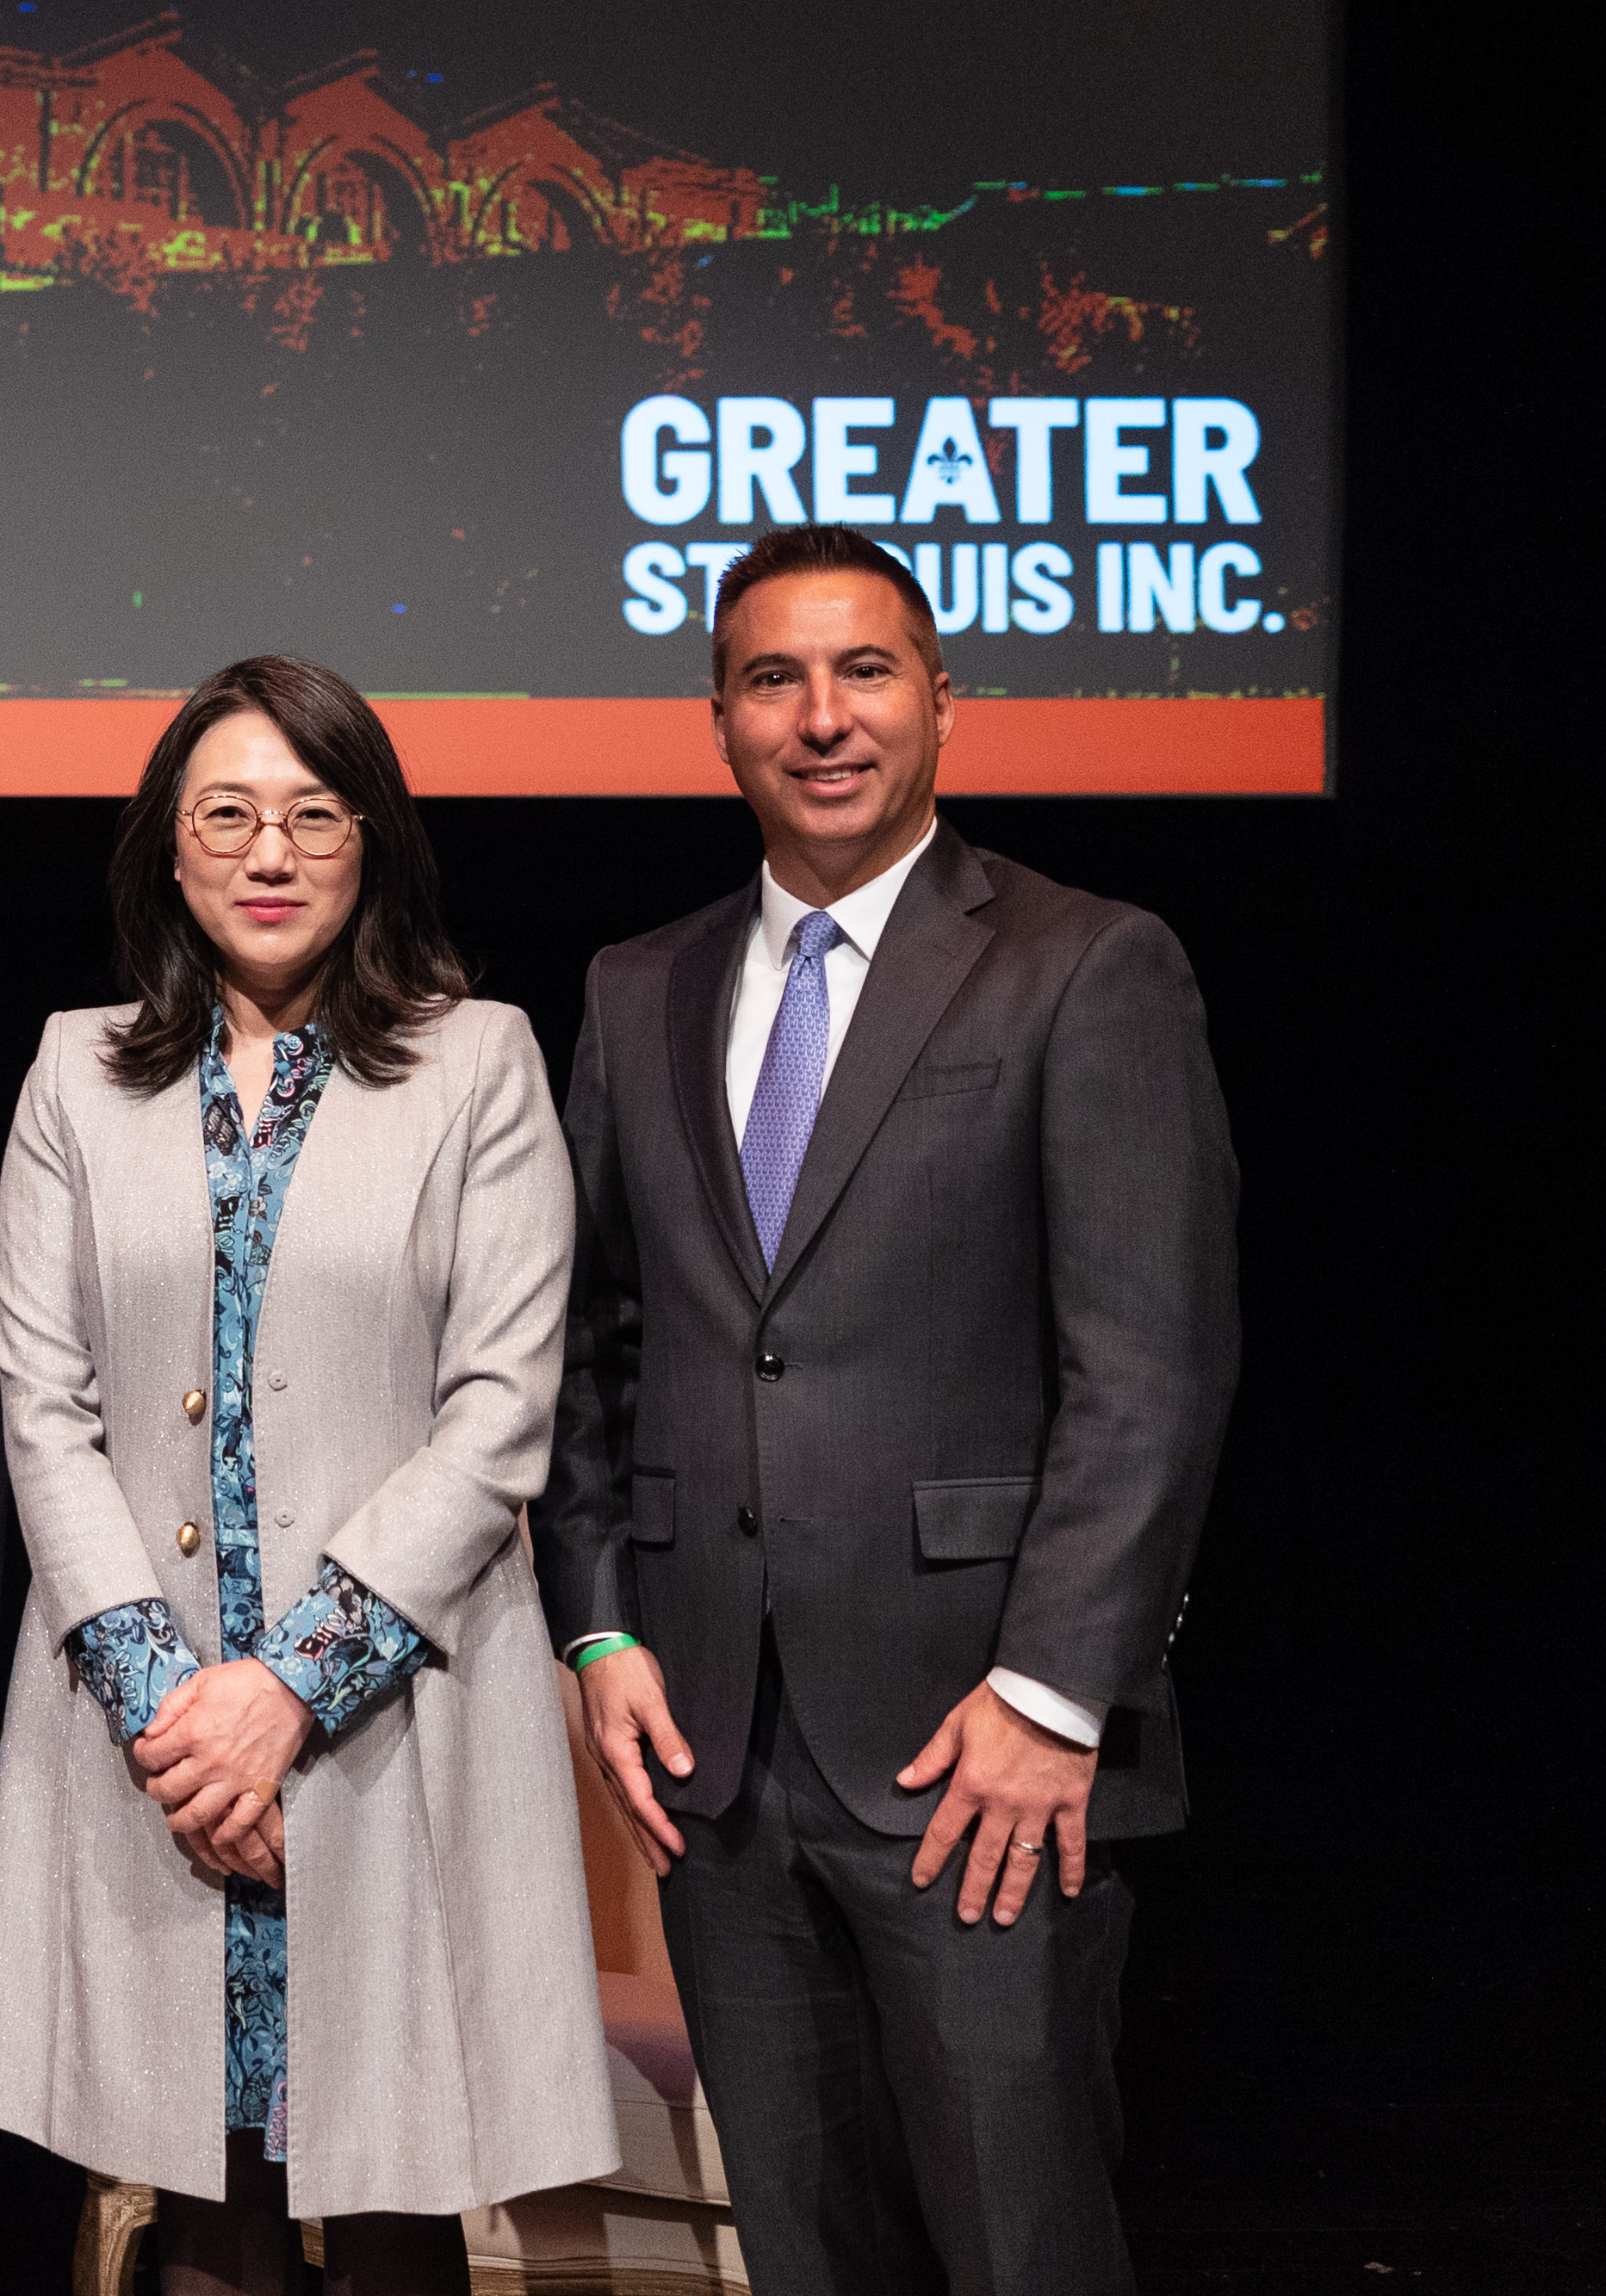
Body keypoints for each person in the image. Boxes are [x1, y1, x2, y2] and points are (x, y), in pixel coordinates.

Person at [543, 523, 1237, 2295]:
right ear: (716, 718)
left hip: (978, 1755)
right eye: (771, 677)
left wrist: (1048, 1688)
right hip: (712, 1758)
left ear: (944, 702)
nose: (819, 714)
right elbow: (586, 1343)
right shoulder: (636, 986)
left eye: (862, 670)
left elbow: (1147, 1367)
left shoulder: (1086, 962)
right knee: (801, 2254)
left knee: (1020, 2247)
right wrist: (602, 1629)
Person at [0, 657, 617, 2292]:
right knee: (203, 2197)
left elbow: (499, 1410)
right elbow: (42, 1401)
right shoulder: (74, 1070)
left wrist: (290, 1693)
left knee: (395, 2196)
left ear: (371, 842)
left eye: (315, 814)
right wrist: (180, 1718)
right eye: (227, 813)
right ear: (168, 851)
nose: (269, 850)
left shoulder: (481, 1064)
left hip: (388, 1722)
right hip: (153, 1730)